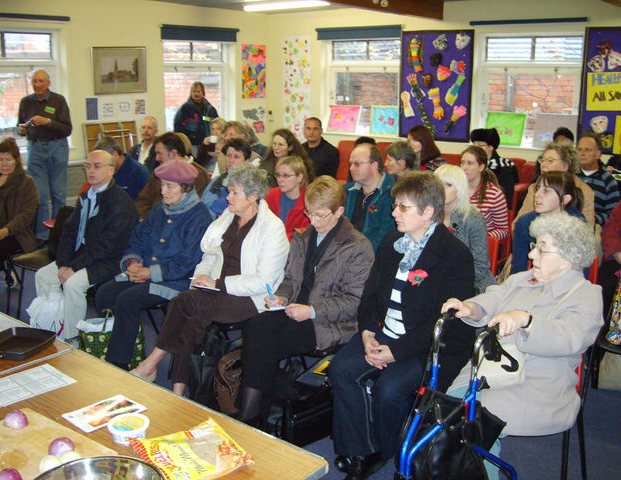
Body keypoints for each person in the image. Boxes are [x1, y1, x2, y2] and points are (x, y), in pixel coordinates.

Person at [330, 172, 476, 480]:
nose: (394, 212)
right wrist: (368, 332)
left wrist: (395, 352)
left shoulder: (455, 255)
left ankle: (387, 450)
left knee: (390, 390)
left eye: (403, 208)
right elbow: (370, 293)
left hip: (426, 345)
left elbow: (442, 323)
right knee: (341, 368)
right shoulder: (392, 241)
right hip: (384, 331)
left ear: (428, 213)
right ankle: (362, 447)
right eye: (395, 205)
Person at [443, 212, 602, 479]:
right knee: (446, 411)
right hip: (492, 372)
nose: (531, 256)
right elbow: (495, 296)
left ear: (568, 257)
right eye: (534, 247)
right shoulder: (522, 280)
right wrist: (472, 307)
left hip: (540, 386)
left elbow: (570, 337)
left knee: (469, 419)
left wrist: (527, 321)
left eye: (541, 248)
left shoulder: (586, 295)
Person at [129, 163, 289, 395]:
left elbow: (262, 281)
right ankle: (177, 388)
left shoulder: (272, 228)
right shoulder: (229, 218)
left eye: (234, 192)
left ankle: (153, 365)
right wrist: (200, 277)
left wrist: (217, 284)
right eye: (228, 192)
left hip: (251, 298)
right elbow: (210, 254)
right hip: (217, 290)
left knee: (188, 305)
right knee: (188, 308)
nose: (228, 198)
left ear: (253, 195)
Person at [239, 176, 374, 425]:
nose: (314, 221)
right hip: (293, 311)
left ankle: (251, 415)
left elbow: (354, 302)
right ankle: (256, 415)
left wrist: (311, 311)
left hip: (326, 322)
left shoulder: (358, 246)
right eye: (310, 213)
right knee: (255, 326)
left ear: (339, 211)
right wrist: (281, 295)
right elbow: (291, 279)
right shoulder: (303, 237)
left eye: (321, 215)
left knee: (263, 343)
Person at [96, 160, 211, 369]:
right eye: (162, 185)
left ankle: (118, 362)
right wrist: (133, 262)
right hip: (147, 272)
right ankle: (122, 344)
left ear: (185, 189)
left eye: (169, 186)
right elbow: (137, 239)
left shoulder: (199, 216)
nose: (163, 191)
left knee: (128, 300)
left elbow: (188, 262)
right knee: (104, 293)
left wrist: (150, 272)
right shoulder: (160, 209)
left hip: (177, 282)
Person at [34, 150, 137, 341]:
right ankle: (53, 323)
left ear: (111, 170)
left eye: (97, 166)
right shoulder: (86, 196)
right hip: (84, 256)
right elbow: (68, 233)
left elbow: (108, 246)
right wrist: (63, 264)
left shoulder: (120, 202)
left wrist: (73, 267)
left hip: (110, 260)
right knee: (43, 276)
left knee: (73, 284)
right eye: (88, 166)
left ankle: (72, 338)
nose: (91, 171)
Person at [17, 69, 72, 243]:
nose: (38, 84)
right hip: (35, 148)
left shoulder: (58, 100)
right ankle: (41, 235)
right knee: (39, 196)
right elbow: (18, 128)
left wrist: (48, 121)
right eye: (34, 81)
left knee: (58, 194)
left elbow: (67, 129)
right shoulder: (26, 102)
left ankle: (57, 233)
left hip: (57, 147)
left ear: (48, 83)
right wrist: (20, 130)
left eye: (41, 81)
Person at [0, 138, 38, 304]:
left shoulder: (27, 183)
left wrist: (6, 230)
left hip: (15, 234)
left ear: (17, 160)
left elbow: (27, 215)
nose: (4, 164)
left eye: (8, 159)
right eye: (0, 160)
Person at [435, 164, 495, 292]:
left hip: (472, 283)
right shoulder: (429, 215)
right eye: (438, 184)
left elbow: (481, 266)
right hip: (438, 281)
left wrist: (448, 282)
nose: (441, 189)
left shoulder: (474, 219)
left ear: (460, 189)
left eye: (448, 185)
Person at [512, 171, 585, 275]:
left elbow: (579, 275)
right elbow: (519, 268)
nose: (537, 194)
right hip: (531, 282)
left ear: (565, 199)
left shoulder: (577, 227)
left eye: (546, 191)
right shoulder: (524, 223)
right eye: (537, 189)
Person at [516, 142, 595, 227]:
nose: (543, 165)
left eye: (550, 161)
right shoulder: (534, 188)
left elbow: (587, 228)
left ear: (566, 165)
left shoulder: (584, 191)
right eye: (542, 160)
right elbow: (517, 223)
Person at [134, 132, 209, 219]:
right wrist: (146, 220)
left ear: (173, 153)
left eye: (160, 153)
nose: (157, 158)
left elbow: (192, 209)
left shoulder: (197, 175)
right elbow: (143, 200)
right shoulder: (158, 172)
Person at [344, 143, 396, 252]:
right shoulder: (347, 191)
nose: (351, 168)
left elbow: (385, 236)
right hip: (345, 252)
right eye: (350, 164)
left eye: (357, 164)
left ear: (374, 165)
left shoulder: (392, 193)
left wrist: (361, 256)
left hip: (371, 256)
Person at [461, 145, 509, 240]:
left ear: (481, 167)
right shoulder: (455, 188)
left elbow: (503, 230)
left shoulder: (494, 194)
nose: (464, 167)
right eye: (462, 163)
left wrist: (482, 238)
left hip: (481, 245)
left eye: (470, 163)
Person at [200, 138, 252, 219]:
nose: (231, 160)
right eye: (229, 156)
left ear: (247, 161)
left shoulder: (252, 186)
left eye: (236, 157)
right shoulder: (215, 182)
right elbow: (202, 206)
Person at [576, 132, 620, 227]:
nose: (582, 153)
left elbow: (613, 215)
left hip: (595, 229)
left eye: (587, 150)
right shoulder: (569, 177)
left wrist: (592, 219)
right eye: (579, 150)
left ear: (598, 154)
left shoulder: (608, 181)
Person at [470, 127, 519, 209]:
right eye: (474, 145)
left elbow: (505, 195)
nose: (476, 149)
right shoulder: (469, 163)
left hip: (490, 206)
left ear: (491, 147)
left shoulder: (503, 166)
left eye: (481, 145)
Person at [265, 156, 311, 240]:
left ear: (299, 177)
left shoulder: (310, 200)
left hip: (296, 248)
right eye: (278, 175)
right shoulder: (271, 195)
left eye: (286, 176)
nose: (280, 180)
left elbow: (304, 232)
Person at [93, 136, 149, 200]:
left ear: (114, 154)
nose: (103, 164)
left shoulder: (139, 173)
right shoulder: (111, 172)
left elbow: (144, 204)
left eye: (104, 159)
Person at [173, 81, 218, 150]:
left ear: (203, 92)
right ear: (191, 93)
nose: (196, 94)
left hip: (209, 145)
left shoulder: (210, 109)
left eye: (198, 91)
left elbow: (217, 123)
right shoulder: (184, 109)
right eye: (194, 91)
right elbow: (178, 128)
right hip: (191, 145)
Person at [599, 201, 621, 314]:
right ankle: (602, 328)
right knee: (605, 284)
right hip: (617, 259)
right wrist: (617, 252)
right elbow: (610, 228)